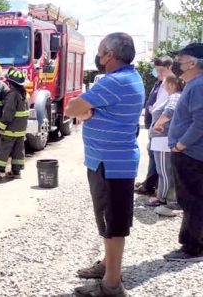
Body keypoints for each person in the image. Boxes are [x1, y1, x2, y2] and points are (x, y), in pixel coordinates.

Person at [64, 33, 143, 297]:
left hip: (111, 165)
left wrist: (87, 111)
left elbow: (71, 108)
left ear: (109, 54)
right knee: (109, 221)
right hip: (108, 162)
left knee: (113, 224)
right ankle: (109, 267)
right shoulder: (128, 78)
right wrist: (90, 111)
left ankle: (111, 285)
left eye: (99, 52)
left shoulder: (114, 82)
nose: (97, 57)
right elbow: (80, 110)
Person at [164, 43, 203, 262]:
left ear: (193, 62)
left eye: (181, 59)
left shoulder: (198, 86)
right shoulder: (193, 84)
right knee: (193, 199)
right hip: (189, 152)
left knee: (192, 200)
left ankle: (192, 247)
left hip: (191, 154)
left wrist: (181, 145)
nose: (177, 63)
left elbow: (200, 122)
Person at [135, 56, 173, 196]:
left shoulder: (170, 84)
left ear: (169, 67)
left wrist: (155, 114)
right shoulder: (160, 83)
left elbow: (166, 108)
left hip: (161, 129)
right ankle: (151, 183)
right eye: (156, 70)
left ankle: (155, 189)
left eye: (160, 70)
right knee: (153, 156)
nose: (158, 73)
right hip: (154, 126)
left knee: (161, 163)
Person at [148, 75, 183, 212]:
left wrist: (157, 124)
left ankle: (162, 197)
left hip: (163, 139)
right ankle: (164, 196)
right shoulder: (174, 96)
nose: (163, 87)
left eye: (164, 84)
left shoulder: (174, 96)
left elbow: (170, 111)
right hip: (161, 139)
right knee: (163, 170)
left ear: (172, 84)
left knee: (164, 171)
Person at [0, 67, 29, 180]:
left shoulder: (12, 94)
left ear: (10, 82)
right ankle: (16, 171)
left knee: (3, 150)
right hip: (20, 129)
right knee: (18, 150)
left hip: (11, 129)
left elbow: (8, 113)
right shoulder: (24, 94)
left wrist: (1, 127)